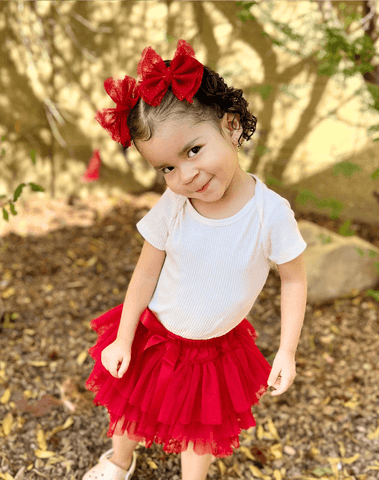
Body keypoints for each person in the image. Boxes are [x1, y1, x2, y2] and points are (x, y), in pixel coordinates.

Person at [83, 39, 308, 480]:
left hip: (214, 351)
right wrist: (125, 336)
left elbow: (294, 279)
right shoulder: (175, 205)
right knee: (133, 402)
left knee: (198, 428)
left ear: (231, 126)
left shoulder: (269, 213)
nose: (184, 175)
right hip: (157, 336)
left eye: (193, 151)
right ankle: (119, 460)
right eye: (166, 168)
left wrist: (287, 350)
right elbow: (146, 270)